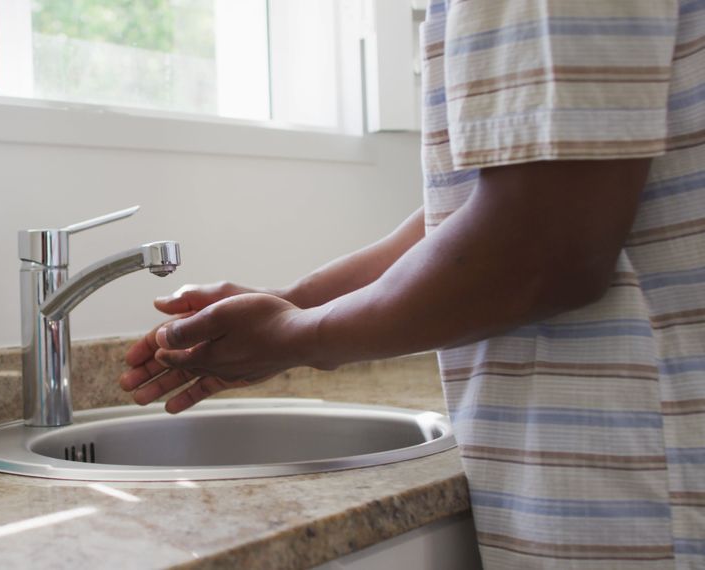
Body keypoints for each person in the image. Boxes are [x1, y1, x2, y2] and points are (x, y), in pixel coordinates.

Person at [119, 1, 705, 567]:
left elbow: (544, 243)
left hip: (645, 492)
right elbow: (477, 211)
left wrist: (296, 334)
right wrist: (291, 307)